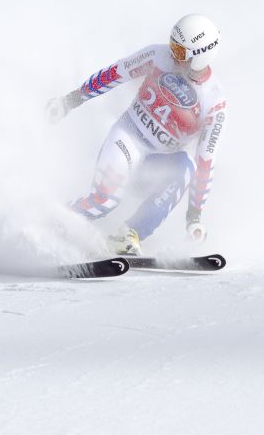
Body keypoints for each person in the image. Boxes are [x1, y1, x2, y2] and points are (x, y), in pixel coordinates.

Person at [46, 14, 228, 256]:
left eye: (181, 51)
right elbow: (116, 73)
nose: (173, 55)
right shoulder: (158, 56)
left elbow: (206, 160)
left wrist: (194, 217)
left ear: (200, 56)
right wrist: (70, 101)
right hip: (128, 139)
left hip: (156, 165)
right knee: (105, 202)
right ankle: (55, 221)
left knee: (187, 167)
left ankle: (129, 234)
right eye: (172, 45)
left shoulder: (213, 100)